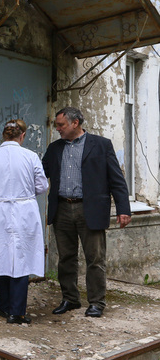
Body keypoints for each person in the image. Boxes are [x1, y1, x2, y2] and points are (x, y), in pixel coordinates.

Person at [42, 107, 131, 318]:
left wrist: (123, 209)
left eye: (61, 125)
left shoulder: (101, 145)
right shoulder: (54, 148)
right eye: (56, 125)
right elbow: (40, 173)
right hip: (62, 208)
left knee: (95, 259)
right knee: (66, 258)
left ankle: (96, 303)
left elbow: (116, 179)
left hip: (90, 209)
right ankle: (70, 299)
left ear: (75, 123)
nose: (58, 129)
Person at [0, 119, 48, 325]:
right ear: (22, 136)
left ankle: (5, 305)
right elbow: (42, 186)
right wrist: (23, 193)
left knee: (0, 255)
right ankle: (16, 312)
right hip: (24, 210)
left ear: (4, 135)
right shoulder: (30, 156)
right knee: (21, 257)